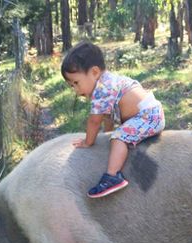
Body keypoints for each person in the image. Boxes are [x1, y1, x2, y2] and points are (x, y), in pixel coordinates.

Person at [61, 41, 165, 198]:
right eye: (71, 86)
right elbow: (107, 116)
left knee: (119, 137)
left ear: (95, 72)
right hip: (148, 113)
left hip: (148, 117)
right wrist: (107, 132)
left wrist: (88, 141)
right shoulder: (107, 82)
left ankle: (112, 176)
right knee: (115, 134)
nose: (76, 90)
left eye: (76, 83)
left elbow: (94, 121)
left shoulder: (102, 90)